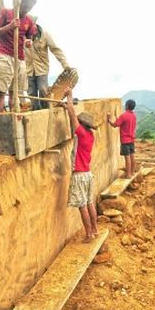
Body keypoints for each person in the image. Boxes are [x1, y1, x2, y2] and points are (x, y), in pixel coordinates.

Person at [0, 0, 37, 113]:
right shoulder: (5, 13)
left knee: (15, 93)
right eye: (25, 6)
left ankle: (13, 118)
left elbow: (29, 38)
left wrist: (28, 42)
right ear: (19, 3)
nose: (26, 10)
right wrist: (9, 26)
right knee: (1, 92)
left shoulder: (29, 21)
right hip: (5, 55)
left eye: (30, 8)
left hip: (20, 58)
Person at [63, 88, 99, 242]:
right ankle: (95, 230)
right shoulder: (90, 135)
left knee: (82, 206)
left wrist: (69, 97)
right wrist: (66, 106)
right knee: (90, 202)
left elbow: (72, 115)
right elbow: (71, 113)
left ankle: (89, 234)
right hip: (88, 174)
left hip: (79, 175)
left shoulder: (82, 133)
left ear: (82, 124)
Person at [25, 23, 70, 110]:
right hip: (28, 69)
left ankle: (45, 110)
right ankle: (35, 110)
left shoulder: (45, 35)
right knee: (31, 92)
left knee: (43, 89)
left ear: (34, 25)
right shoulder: (23, 36)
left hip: (42, 68)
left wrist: (65, 65)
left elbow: (56, 50)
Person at [107, 100, 137, 179]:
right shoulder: (133, 115)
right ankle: (132, 172)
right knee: (132, 156)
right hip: (131, 139)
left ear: (126, 106)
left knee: (127, 158)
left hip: (125, 140)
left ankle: (128, 175)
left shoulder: (123, 116)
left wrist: (109, 119)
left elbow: (114, 125)